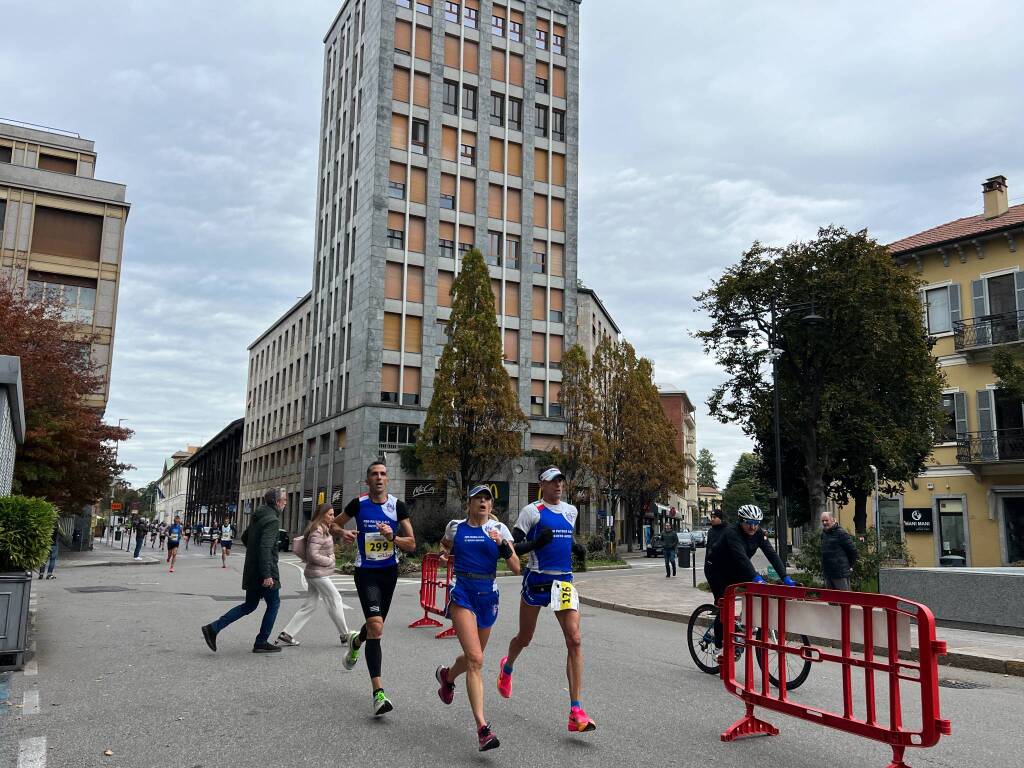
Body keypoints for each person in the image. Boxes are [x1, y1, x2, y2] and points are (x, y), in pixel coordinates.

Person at [497, 467, 595, 734]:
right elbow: (511, 548)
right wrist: (536, 543)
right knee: (525, 638)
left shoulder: (570, 511)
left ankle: (576, 710)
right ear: (542, 484)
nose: (558, 486)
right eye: (553, 482)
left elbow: (565, 536)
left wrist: (575, 546)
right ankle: (507, 666)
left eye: (561, 481)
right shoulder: (532, 512)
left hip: (563, 582)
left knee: (574, 640)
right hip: (537, 580)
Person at [434, 485, 520, 751]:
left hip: (488, 596)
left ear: (491, 506)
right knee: (477, 660)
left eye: (487, 499)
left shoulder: (500, 530)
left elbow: (517, 567)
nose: (483, 502)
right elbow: (445, 544)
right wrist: (445, 554)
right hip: (463, 593)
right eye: (478, 498)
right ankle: (483, 729)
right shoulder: (456, 527)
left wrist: (502, 544)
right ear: (469, 503)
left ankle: (447, 677)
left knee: (474, 657)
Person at [337, 461, 416, 717]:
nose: (379, 478)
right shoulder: (358, 504)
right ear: (367, 480)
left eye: (383, 474)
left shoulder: (397, 506)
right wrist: (343, 533)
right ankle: (378, 693)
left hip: (389, 573)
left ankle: (356, 641)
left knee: (374, 625)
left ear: (387, 479)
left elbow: (412, 544)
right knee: (377, 627)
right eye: (374, 474)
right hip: (366, 572)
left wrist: (391, 537)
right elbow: (333, 525)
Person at [201, 488, 285, 654]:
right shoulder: (272, 520)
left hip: (253, 570)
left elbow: (246, 538)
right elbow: (266, 548)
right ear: (277, 502)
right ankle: (261, 641)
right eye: (284, 500)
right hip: (264, 572)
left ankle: (213, 628)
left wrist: (254, 556)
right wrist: (267, 574)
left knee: (250, 605)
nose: (285, 503)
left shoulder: (258, 515)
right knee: (274, 603)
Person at [704, 504, 796, 648]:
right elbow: (742, 558)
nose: (753, 527)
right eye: (749, 523)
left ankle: (742, 623)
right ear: (741, 521)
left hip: (736, 568)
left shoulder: (759, 533)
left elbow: (771, 554)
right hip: (717, 570)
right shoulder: (731, 533)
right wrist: (756, 578)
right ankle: (719, 646)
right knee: (725, 604)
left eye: (756, 524)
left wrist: (785, 578)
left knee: (757, 592)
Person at [275, 503, 352, 648]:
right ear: (322, 515)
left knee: (310, 605)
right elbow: (312, 555)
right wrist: (329, 560)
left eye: (333, 514)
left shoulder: (322, 529)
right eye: (330, 514)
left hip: (315, 572)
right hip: (317, 574)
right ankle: (344, 635)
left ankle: (287, 634)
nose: (333, 517)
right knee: (335, 598)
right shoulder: (318, 531)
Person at [820, 512, 858, 590]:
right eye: (823, 521)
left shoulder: (841, 533)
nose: (824, 523)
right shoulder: (824, 534)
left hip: (840, 573)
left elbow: (852, 551)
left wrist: (850, 565)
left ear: (833, 520)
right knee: (831, 599)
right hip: (828, 573)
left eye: (826, 520)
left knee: (844, 598)